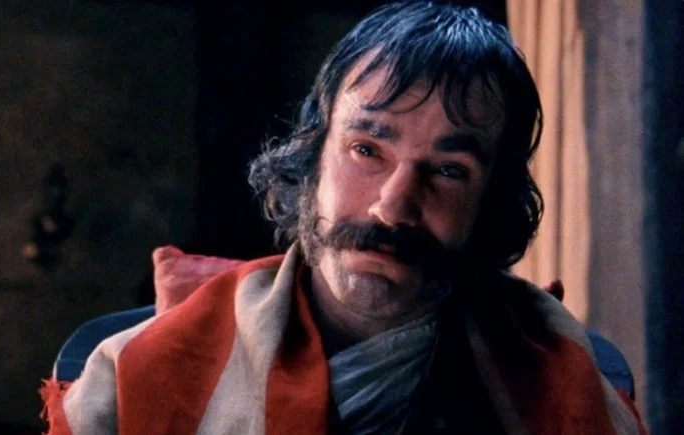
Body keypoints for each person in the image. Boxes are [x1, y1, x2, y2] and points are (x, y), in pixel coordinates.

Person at [41, 2, 647, 433]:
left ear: (491, 204)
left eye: (448, 170)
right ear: (313, 155)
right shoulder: (139, 372)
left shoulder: (559, 383)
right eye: (367, 150)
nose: (393, 206)